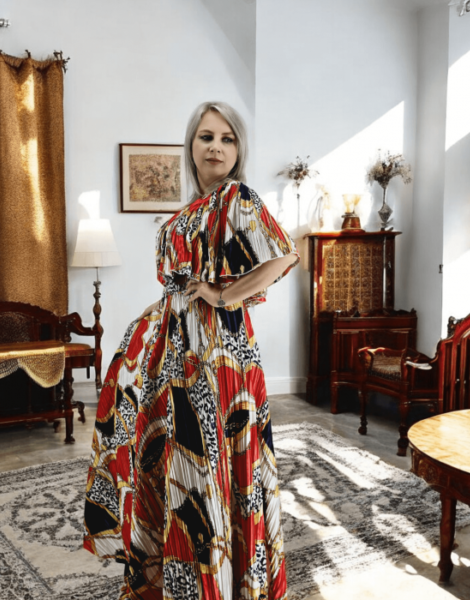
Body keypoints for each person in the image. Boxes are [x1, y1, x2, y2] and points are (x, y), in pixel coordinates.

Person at [83, 101, 299, 600]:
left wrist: (222, 295)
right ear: (191, 146)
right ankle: (179, 581)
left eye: (227, 138)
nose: (216, 147)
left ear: (239, 149)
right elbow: (179, 286)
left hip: (218, 353)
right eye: (206, 137)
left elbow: (283, 255)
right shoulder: (188, 211)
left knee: (208, 464)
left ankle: (219, 583)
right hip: (177, 353)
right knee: (176, 464)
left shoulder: (237, 197)